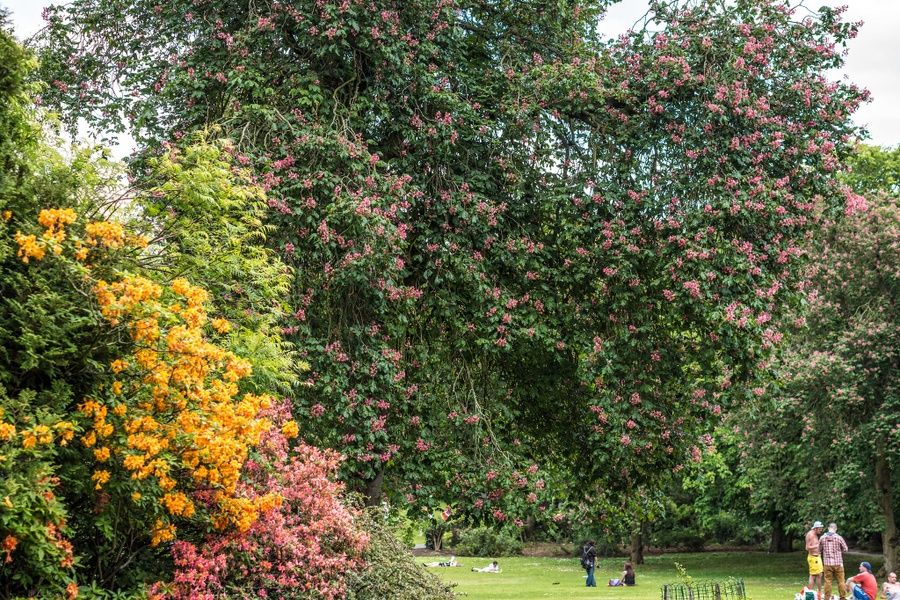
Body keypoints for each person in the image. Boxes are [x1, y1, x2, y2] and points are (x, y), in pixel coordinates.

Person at [819, 523, 849, 600]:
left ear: (828, 528)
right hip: (838, 563)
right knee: (841, 581)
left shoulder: (822, 538)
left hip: (827, 564)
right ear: (835, 529)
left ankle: (827, 598)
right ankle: (842, 597)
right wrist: (839, 550)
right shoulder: (839, 538)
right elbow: (846, 549)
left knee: (827, 581)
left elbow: (819, 550)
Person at [807, 521, 825, 598]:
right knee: (813, 575)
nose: (821, 530)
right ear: (816, 528)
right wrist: (817, 545)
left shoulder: (815, 534)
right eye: (820, 529)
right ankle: (810, 593)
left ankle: (819, 592)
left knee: (819, 575)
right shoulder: (811, 535)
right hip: (813, 558)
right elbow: (807, 547)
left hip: (817, 557)